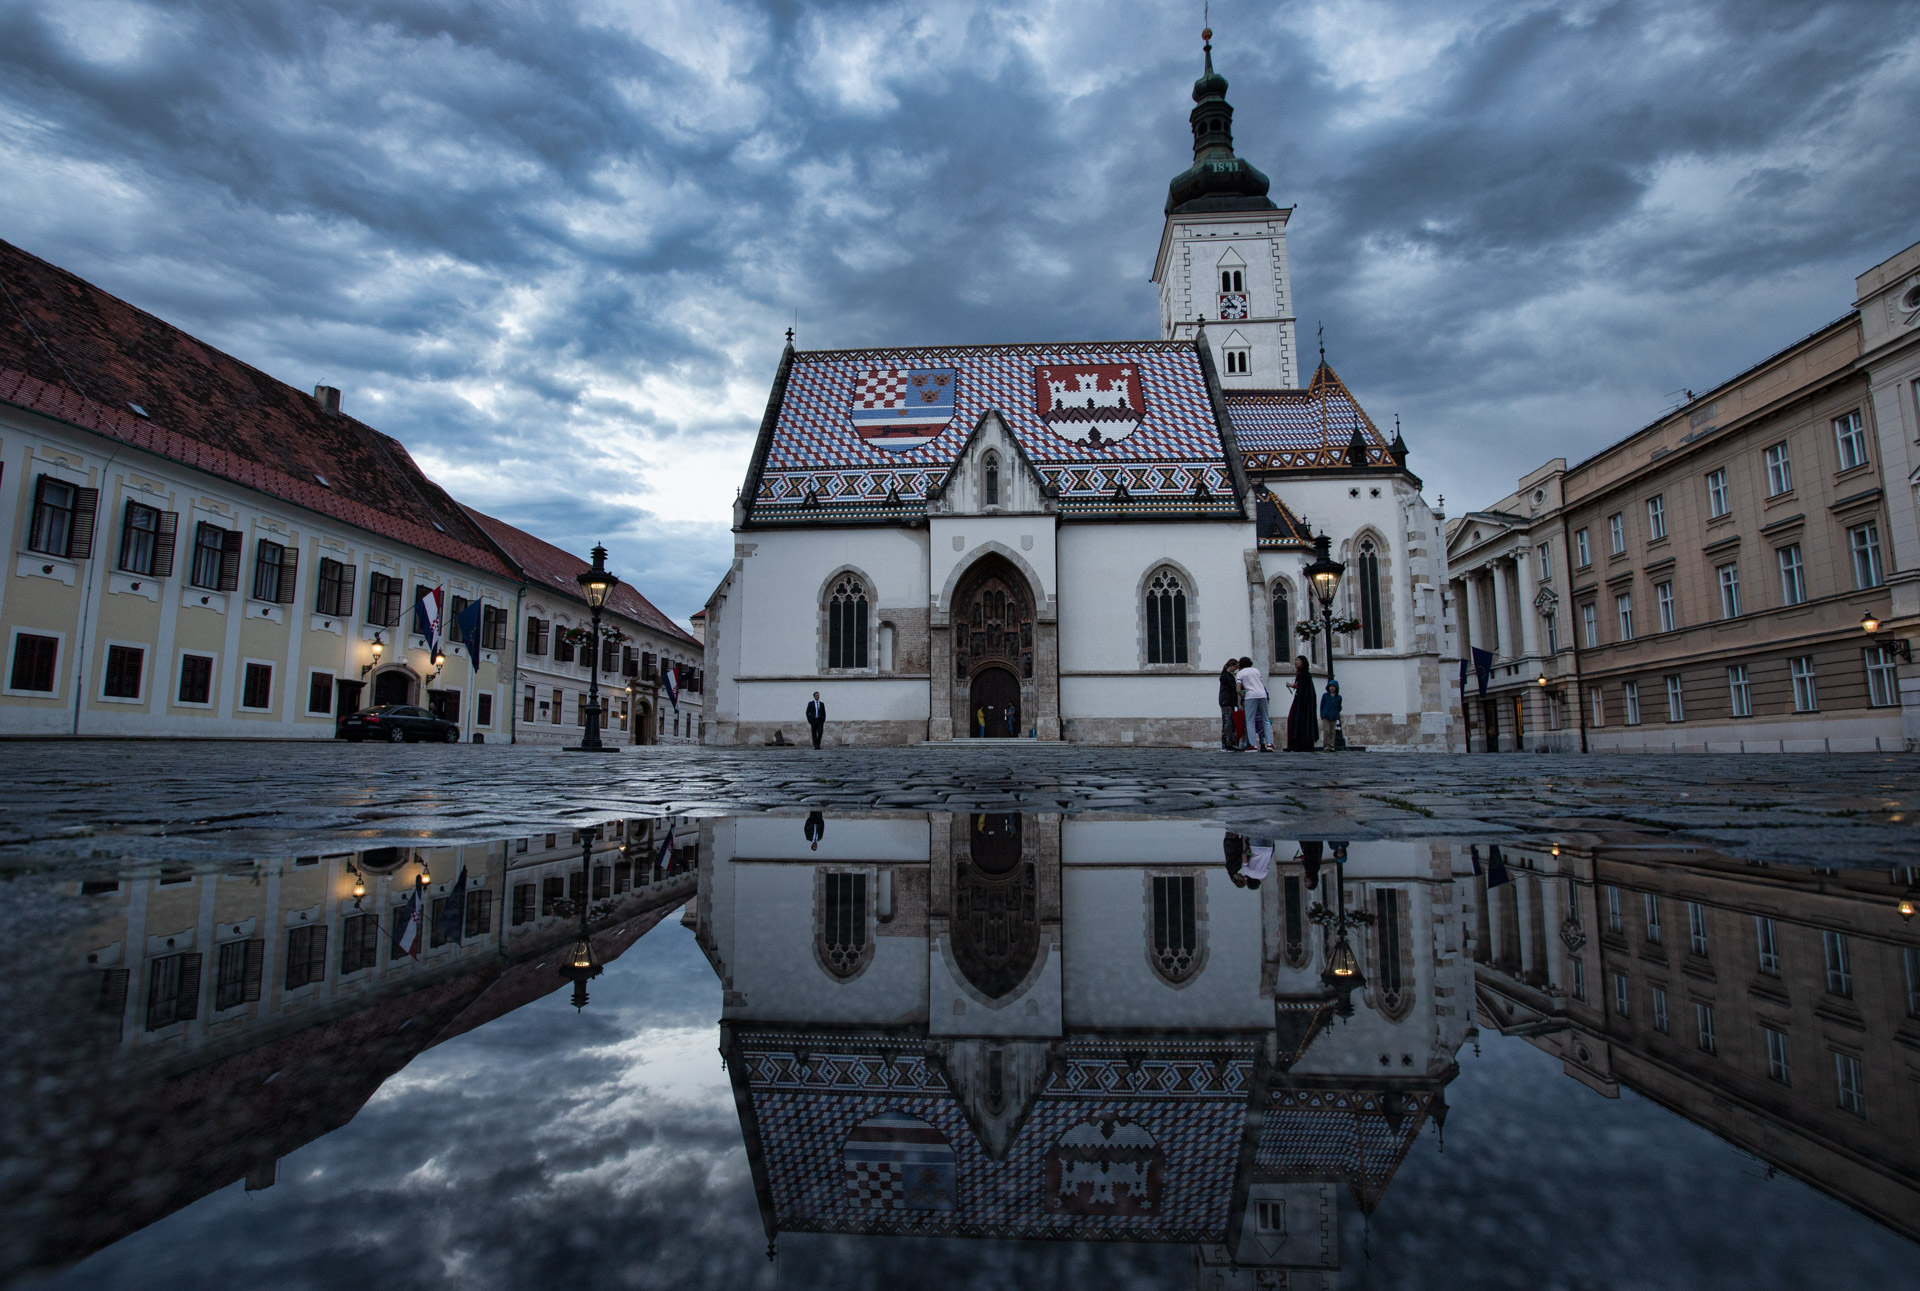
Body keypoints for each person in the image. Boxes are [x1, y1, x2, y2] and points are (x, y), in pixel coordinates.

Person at [1234, 657, 1271, 752]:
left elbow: (1238, 689)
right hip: (1262, 694)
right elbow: (1260, 683)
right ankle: (1270, 744)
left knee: (1250, 721)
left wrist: (1243, 696)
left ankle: (1253, 745)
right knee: (1266, 719)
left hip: (1250, 696)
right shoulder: (1256, 670)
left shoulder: (1240, 673)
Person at [1284, 655, 1318, 752]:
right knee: (1293, 720)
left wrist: (1291, 685)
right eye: (1295, 660)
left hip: (1303, 704)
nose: (1296, 662)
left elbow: (1303, 688)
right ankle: (1295, 744)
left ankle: (1301, 745)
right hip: (1300, 702)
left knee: (1296, 720)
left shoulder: (1305, 674)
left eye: (1298, 660)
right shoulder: (1302, 674)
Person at [1217, 660, 1241, 751]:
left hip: (1228, 702)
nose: (1235, 670)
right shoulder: (1226, 676)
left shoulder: (1226, 676)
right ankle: (1226, 744)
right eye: (1235, 667)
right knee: (1227, 723)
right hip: (1226, 702)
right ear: (1231, 665)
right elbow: (1234, 687)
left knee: (1230, 722)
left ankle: (1230, 743)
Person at [1320, 679, 1343, 751]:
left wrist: (1336, 713)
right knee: (1326, 731)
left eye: (1333, 686)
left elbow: (1339, 707)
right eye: (1330, 686)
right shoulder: (1325, 696)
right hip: (1326, 716)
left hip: (1333, 716)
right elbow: (1322, 705)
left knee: (1333, 732)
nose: (1332, 688)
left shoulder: (1339, 697)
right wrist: (1322, 714)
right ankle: (1326, 744)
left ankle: (1331, 745)